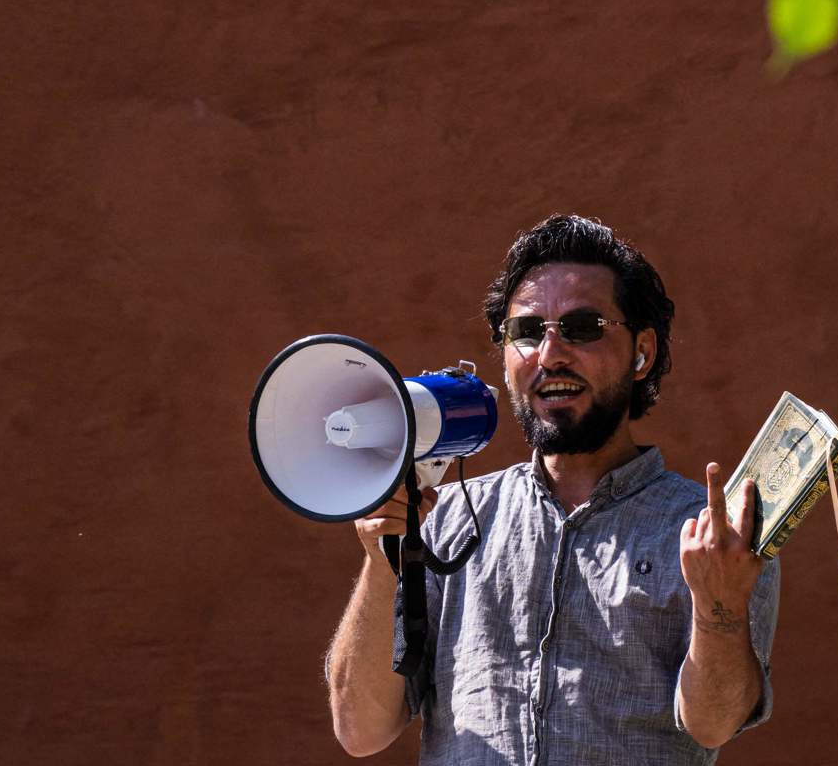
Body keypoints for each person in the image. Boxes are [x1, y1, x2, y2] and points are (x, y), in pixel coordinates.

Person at [324, 214, 780, 765]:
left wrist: (719, 604)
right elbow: (359, 730)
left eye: (583, 327)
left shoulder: (712, 535)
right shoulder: (446, 519)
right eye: (527, 331)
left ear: (643, 352)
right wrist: (381, 558)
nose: (550, 353)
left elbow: (713, 723)